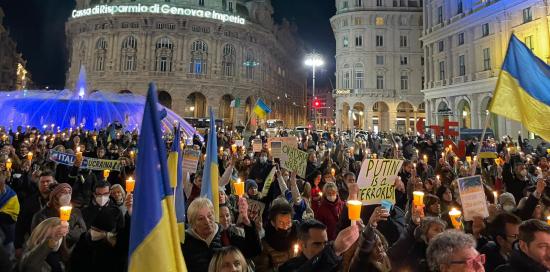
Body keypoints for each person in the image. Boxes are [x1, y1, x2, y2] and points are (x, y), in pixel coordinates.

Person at [181, 197, 261, 272]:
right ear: (192, 223)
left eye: (209, 216)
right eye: (201, 218)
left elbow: (253, 250)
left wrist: (247, 222)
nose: (207, 221)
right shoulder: (185, 242)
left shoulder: (224, 233)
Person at [278, 219, 360, 272]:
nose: (323, 248)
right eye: (317, 244)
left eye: (325, 243)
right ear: (302, 245)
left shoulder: (334, 264)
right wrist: (334, 251)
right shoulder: (288, 268)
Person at [31, 183, 87, 248]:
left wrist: (62, 233)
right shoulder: (41, 215)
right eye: (63, 192)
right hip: (49, 252)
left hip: (71, 250)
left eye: (69, 192)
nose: (67, 195)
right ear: (55, 195)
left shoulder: (76, 212)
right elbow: (38, 236)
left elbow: (83, 231)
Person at [15, 171, 55, 256]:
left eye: (48, 181)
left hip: (53, 242)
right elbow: (20, 224)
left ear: (54, 183)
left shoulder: (58, 201)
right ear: (38, 184)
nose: (45, 184)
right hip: (33, 241)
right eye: (42, 182)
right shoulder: (29, 202)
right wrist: (18, 246)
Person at [255, 200, 299, 271]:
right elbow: (261, 269)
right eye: (281, 223)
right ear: (273, 223)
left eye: (288, 223)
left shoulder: (299, 238)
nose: (285, 227)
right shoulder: (265, 244)